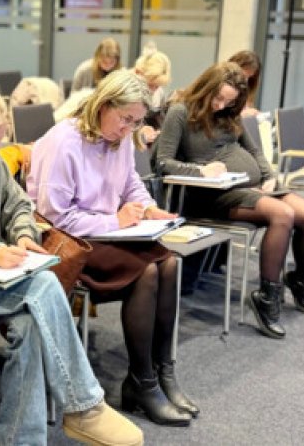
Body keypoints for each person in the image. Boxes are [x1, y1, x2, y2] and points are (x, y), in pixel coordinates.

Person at [0, 79, 143, 446]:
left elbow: (17, 205)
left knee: (31, 321)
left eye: (0, 139)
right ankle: (83, 406)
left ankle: (20, 440)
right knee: (44, 284)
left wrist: (22, 235)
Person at [28, 70, 197, 428]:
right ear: (104, 106)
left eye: (137, 122)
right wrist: (114, 222)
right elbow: (53, 217)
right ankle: (142, 382)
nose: (129, 130)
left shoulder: (119, 138)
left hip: (106, 233)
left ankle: (162, 372)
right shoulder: (63, 142)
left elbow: (130, 183)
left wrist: (149, 209)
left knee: (169, 263)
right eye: (126, 119)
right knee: (147, 271)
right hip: (67, 243)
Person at [154, 61, 304, 339]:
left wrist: (268, 175)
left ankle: (300, 278)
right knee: (283, 216)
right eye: (217, 98)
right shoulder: (180, 112)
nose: (221, 105)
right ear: (205, 87)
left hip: (252, 187)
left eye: (229, 101)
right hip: (214, 194)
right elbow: (162, 162)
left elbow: (253, 151)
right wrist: (200, 170)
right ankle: (267, 296)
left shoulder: (230, 114)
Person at [133, 48, 172, 145]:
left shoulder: (159, 93)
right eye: (150, 85)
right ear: (138, 73)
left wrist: (157, 132)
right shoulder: (124, 91)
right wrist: (138, 132)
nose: (153, 90)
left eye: (157, 86)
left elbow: (159, 122)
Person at [227, 50, 262, 117]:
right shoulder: (220, 87)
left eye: (249, 77)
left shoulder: (245, 90)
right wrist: (241, 115)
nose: (245, 81)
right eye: (243, 76)